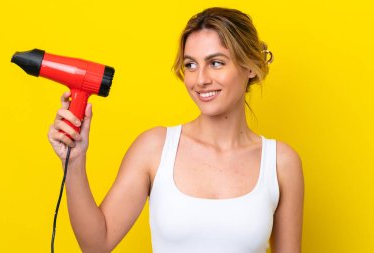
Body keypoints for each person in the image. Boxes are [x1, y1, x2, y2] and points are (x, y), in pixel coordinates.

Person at [48, 7, 304, 253]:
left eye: (216, 63)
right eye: (191, 65)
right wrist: (74, 163)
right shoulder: (155, 148)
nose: (200, 79)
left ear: (249, 66)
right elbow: (96, 245)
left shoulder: (281, 162)